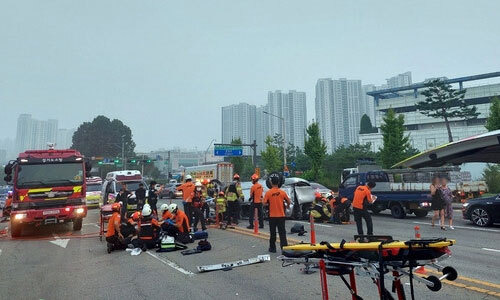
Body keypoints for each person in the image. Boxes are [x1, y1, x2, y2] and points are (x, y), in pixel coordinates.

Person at [263, 174, 291, 253]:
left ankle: (272, 248)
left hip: (272, 216)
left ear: (271, 183)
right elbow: (288, 201)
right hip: (281, 215)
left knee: (273, 233)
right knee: (282, 233)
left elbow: (264, 203)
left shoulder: (268, 193)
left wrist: (269, 204)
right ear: (278, 182)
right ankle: (284, 249)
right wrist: (286, 206)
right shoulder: (282, 192)